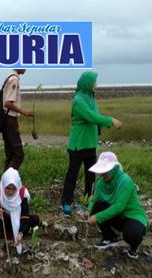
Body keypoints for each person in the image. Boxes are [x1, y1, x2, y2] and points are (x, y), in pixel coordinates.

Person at [61, 71, 123, 217]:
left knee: (91, 176)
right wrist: (110, 120)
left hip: (90, 143)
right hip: (78, 144)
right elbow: (90, 116)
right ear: (87, 83)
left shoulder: (92, 99)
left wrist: (101, 125)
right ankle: (66, 203)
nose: (96, 85)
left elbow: (96, 117)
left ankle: (87, 204)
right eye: (94, 82)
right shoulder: (78, 100)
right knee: (72, 175)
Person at [85, 152, 147, 259]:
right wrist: (88, 210)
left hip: (133, 217)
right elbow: (94, 199)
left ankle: (133, 249)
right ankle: (109, 238)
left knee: (132, 234)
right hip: (118, 218)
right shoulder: (101, 183)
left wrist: (97, 217)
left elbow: (119, 206)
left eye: (106, 170)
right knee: (98, 206)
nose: (103, 173)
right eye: (102, 171)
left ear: (114, 168)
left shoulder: (125, 180)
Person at [0, 168, 41, 252]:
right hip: (3, 222)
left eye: (13, 189)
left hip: (18, 220)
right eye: (8, 188)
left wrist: (21, 233)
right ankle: (1, 238)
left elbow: (24, 217)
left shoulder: (22, 194)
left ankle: (18, 238)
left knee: (35, 219)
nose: (10, 192)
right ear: (4, 185)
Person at [1, 69, 34, 171]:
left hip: (6, 120)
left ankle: (4, 184)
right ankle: (9, 181)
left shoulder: (8, 76)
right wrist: (25, 112)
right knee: (18, 154)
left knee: (10, 155)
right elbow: (8, 103)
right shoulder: (14, 79)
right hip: (10, 120)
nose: (26, 68)